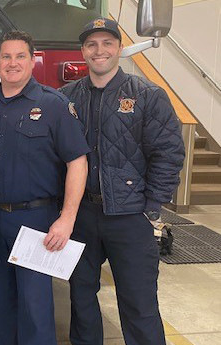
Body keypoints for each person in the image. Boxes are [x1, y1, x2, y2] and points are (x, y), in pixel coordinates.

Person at [59, 18, 185, 345]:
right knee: (81, 297)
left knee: (139, 304)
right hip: (81, 216)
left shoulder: (148, 95)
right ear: (83, 51)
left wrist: (151, 207)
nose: (99, 51)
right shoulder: (64, 98)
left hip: (130, 217)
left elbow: (169, 153)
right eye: (91, 44)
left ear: (118, 49)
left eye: (107, 43)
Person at [0, 31, 89, 345]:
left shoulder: (53, 105)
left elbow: (77, 162)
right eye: (6, 56)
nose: (12, 63)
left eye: (20, 56)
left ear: (32, 60)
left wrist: (66, 219)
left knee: (35, 308)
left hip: (36, 220)